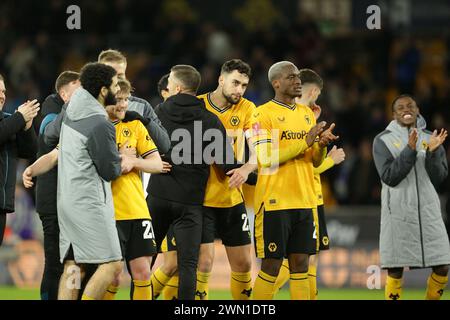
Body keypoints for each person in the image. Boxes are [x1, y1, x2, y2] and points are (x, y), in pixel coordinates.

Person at [146, 65, 245, 300]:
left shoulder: (157, 112)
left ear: (178, 88)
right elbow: (227, 165)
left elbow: (142, 147)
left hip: (157, 196)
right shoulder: (210, 121)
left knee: (144, 260)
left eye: (169, 82)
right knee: (189, 265)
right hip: (190, 204)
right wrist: (252, 173)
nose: (167, 86)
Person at [251, 61, 338, 300]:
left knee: (301, 264)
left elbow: (315, 162)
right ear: (276, 83)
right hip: (275, 202)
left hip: (304, 201)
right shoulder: (262, 114)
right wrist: (305, 142)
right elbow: (266, 158)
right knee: (271, 265)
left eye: (299, 77)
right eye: (291, 77)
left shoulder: (306, 115)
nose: (298, 81)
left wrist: (320, 146)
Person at [56, 62, 131, 300]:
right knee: (113, 264)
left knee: (74, 264)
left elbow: (50, 135)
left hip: (66, 200)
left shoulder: (71, 109)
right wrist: (124, 157)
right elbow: (109, 170)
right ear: (102, 90)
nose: (118, 90)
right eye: (114, 85)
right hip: (88, 203)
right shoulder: (100, 122)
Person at [272, 69, 346, 299]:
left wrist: (321, 145)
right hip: (305, 195)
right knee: (300, 256)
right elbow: (308, 164)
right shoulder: (299, 117)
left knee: (305, 256)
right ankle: (262, 295)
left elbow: (309, 157)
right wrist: (331, 162)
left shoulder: (305, 115)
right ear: (314, 91)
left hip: (300, 195)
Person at [372, 94, 450, 300]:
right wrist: (410, 150)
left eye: (410, 106)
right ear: (393, 113)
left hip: (428, 212)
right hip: (398, 213)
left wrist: (433, 153)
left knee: (443, 265)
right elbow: (390, 177)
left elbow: (440, 178)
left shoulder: (430, 137)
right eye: (400, 107)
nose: (406, 109)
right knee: (395, 269)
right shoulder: (382, 140)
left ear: (417, 109)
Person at [35, 71, 80, 300]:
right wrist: (69, 106)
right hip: (52, 195)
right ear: (64, 93)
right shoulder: (51, 106)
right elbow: (49, 134)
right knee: (54, 261)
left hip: (74, 198)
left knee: (75, 261)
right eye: (77, 88)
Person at [98, 49, 170, 154]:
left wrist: (145, 122)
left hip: (133, 170)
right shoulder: (85, 106)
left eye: (120, 76)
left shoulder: (141, 106)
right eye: (110, 76)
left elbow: (164, 146)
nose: (116, 81)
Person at [0, 73, 39, 246]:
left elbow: (29, 151)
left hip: (2, 203)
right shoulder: (11, 122)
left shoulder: (8, 121)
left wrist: (27, 127)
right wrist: (19, 118)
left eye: (3, 92)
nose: (2, 96)